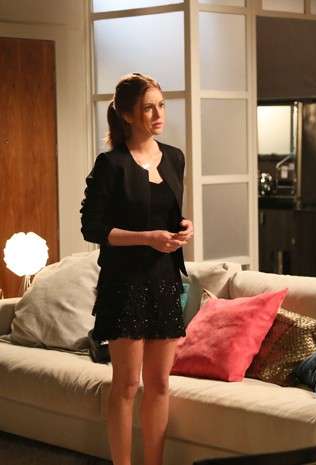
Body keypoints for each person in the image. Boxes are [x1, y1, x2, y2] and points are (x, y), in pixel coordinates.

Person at [80, 72, 193, 465]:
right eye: (148, 108)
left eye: (161, 105)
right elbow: (93, 228)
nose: (158, 114)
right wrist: (147, 238)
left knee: (160, 384)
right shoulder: (110, 164)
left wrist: (184, 228)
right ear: (127, 115)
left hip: (165, 281)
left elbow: (169, 215)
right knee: (127, 385)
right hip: (124, 284)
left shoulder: (175, 157)